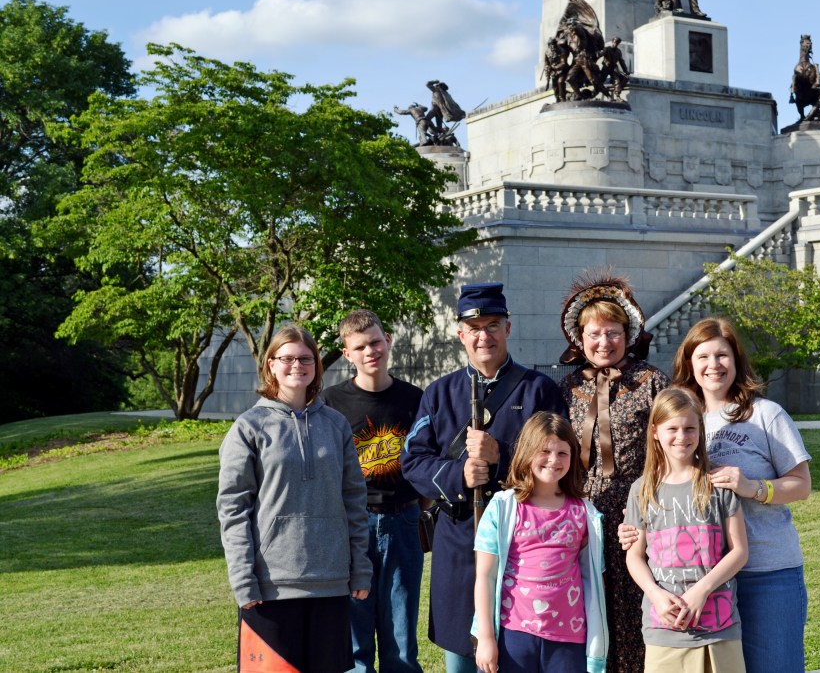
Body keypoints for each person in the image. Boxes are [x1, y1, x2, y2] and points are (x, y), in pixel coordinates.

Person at [620, 317, 812, 673]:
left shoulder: (764, 414)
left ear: (736, 360)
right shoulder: (684, 415)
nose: (713, 365)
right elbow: (656, 492)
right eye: (703, 356)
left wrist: (754, 487)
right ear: (689, 363)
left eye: (722, 355)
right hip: (699, 581)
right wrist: (634, 529)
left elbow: (802, 484)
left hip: (765, 572)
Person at [401, 282, 568, 673]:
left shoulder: (540, 389)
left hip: (525, 540)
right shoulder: (439, 393)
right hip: (461, 539)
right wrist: (459, 473)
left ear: (508, 328)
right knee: (461, 651)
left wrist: (502, 457)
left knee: (519, 650)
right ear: (460, 333)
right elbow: (413, 460)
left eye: (493, 325)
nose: (484, 336)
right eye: (474, 328)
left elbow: (563, 459)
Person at [217, 324, 371, 672]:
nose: (296, 365)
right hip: (271, 587)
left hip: (330, 583)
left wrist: (360, 568)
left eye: (305, 359)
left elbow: (354, 501)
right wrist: (243, 579)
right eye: (287, 358)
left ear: (316, 365)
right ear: (271, 364)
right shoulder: (249, 426)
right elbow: (233, 509)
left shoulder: (335, 425)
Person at [558, 271, 670, 673]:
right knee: (591, 606)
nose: (604, 342)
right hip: (583, 509)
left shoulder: (651, 381)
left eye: (613, 333)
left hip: (638, 508)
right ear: (580, 338)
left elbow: (671, 448)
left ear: (628, 334)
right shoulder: (568, 386)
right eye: (594, 333)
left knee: (635, 605)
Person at [321, 310, 426, 673]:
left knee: (401, 641)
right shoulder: (330, 403)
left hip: (403, 521)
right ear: (347, 354)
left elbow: (428, 461)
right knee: (355, 644)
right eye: (360, 346)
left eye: (376, 342)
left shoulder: (415, 398)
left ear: (388, 341)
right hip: (353, 525)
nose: (371, 351)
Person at [472, 411, 608, 673]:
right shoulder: (502, 508)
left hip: (569, 639)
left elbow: (593, 576)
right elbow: (485, 577)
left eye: (562, 453)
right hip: (513, 635)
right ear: (527, 452)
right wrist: (487, 638)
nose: (553, 460)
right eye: (544, 451)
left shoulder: (585, 513)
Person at [624, 387, 748, 673]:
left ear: (700, 430)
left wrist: (701, 591)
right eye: (673, 429)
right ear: (655, 432)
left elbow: (739, 551)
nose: (682, 437)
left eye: (690, 428)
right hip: (664, 629)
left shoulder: (718, 483)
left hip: (720, 627)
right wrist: (654, 593)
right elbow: (634, 556)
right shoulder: (641, 490)